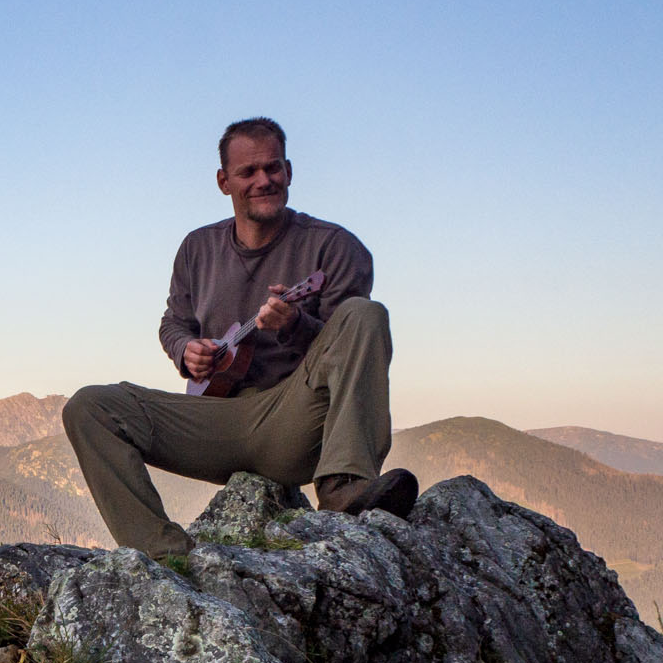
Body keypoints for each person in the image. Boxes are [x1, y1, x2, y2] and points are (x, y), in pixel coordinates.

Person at [63, 116, 417, 558]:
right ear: (223, 181)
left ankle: (344, 486)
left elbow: (348, 347)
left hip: (295, 419)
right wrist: (185, 350)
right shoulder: (197, 248)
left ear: (289, 172)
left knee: (365, 315)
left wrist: (294, 326)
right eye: (248, 172)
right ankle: (162, 555)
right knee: (88, 406)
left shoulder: (334, 247)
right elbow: (174, 321)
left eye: (273, 169)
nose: (263, 180)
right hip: (216, 419)